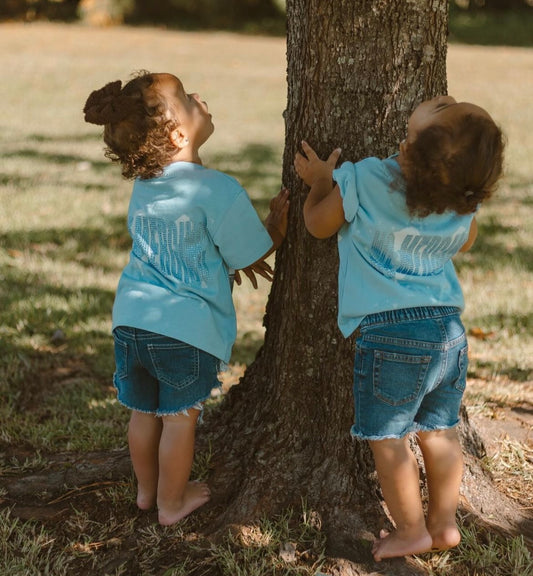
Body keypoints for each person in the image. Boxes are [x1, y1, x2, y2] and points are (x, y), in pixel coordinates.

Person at [294, 95, 504, 561]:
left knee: (388, 439)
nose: (445, 97)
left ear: (411, 151)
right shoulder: (460, 198)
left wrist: (320, 184)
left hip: (390, 335)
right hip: (447, 330)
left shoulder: (367, 177)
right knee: (441, 430)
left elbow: (316, 225)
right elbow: (464, 242)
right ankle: (444, 524)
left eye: (447, 105)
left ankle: (410, 529)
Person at [83, 71, 289, 526]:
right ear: (178, 132)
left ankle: (146, 491)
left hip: (132, 320)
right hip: (186, 332)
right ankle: (172, 503)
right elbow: (250, 252)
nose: (199, 96)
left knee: (143, 413)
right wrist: (275, 226)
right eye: (187, 98)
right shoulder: (216, 190)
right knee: (179, 419)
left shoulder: (145, 186)